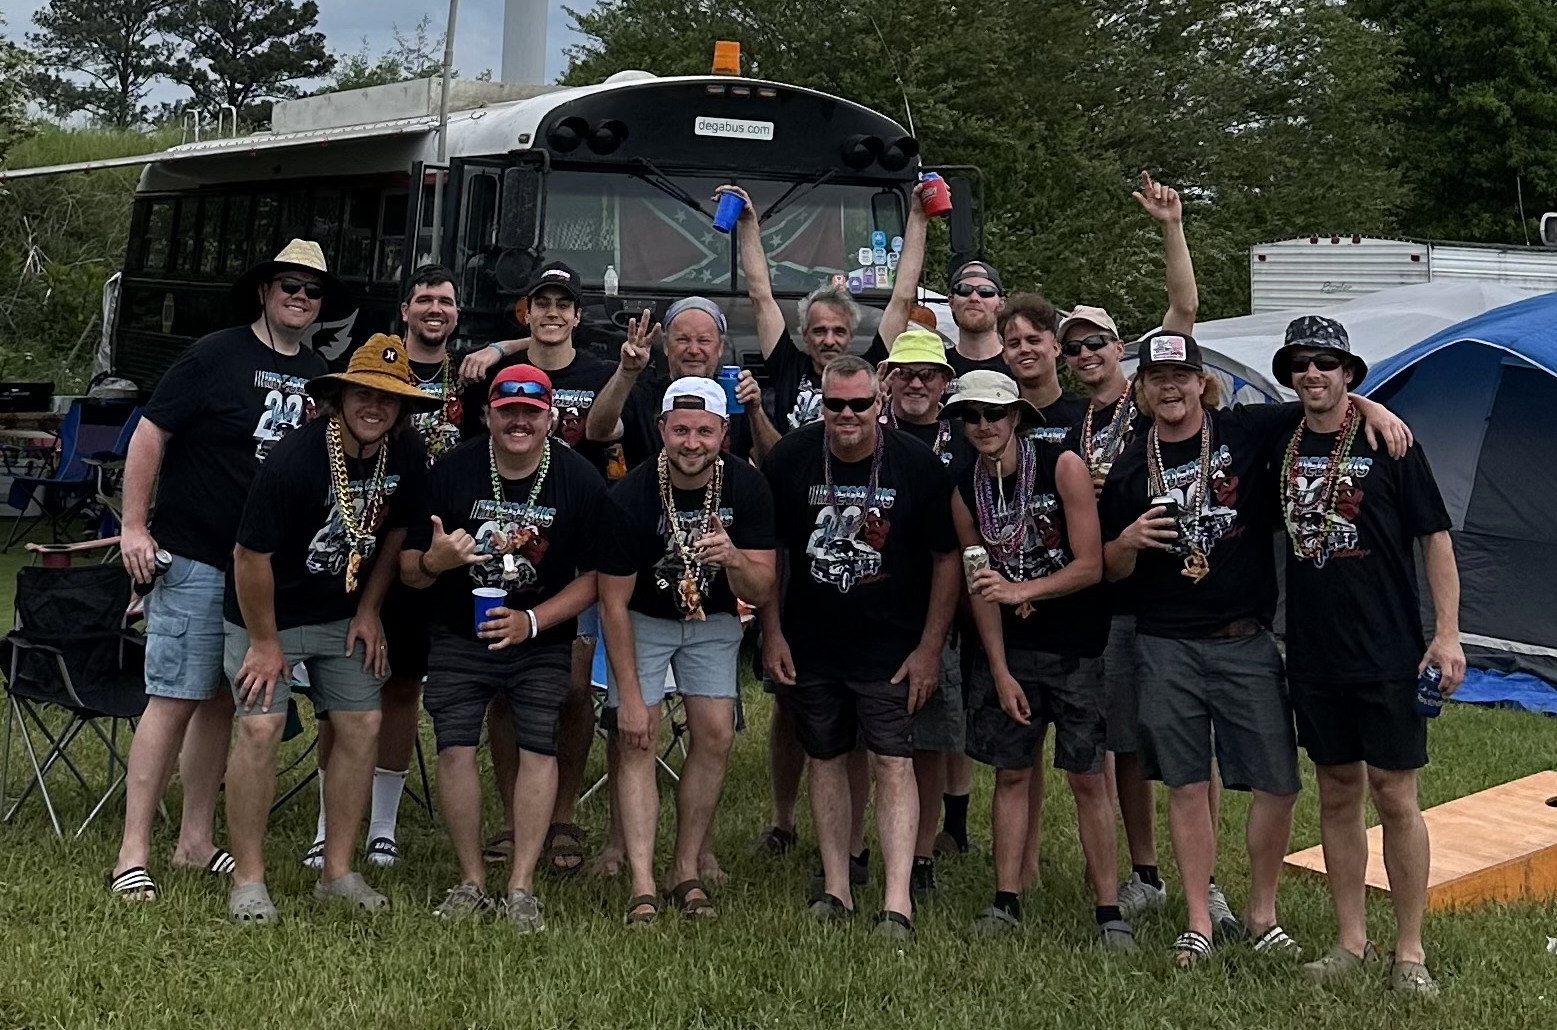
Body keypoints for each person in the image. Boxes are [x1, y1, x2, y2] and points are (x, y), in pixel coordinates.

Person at [1099, 330, 1409, 966]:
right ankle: (1198, 921)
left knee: (1277, 782)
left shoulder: (1246, 430)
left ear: (1201, 382)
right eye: (1157, 380)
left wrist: (1373, 406)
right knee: (1186, 783)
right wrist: (1126, 542)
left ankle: (1262, 913)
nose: (1170, 389)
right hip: (1166, 643)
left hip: (1245, 639)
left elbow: (1321, 400)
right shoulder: (1130, 464)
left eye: (1181, 377)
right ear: (1142, 390)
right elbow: (1109, 568)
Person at [107, 239, 337, 902]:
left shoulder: (320, 372)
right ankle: (131, 853)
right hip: (198, 557)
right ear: (264, 292)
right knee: (174, 696)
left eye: (312, 290)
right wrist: (133, 526)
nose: (299, 298)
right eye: (288, 286)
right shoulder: (213, 355)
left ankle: (195, 841)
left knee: (217, 701)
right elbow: (149, 434)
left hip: (262, 572)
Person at [1270, 316, 1463, 996]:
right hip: (1314, 651)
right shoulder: (1279, 439)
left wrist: (1447, 633)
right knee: (1335, 790)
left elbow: (1434, 537)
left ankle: (1409, 950)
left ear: (1348, 372)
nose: (1312, 373)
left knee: (1395, 793)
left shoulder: (1392, 442)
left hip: (1387, 648)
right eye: (1300, 363)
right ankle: (1350, 940)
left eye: (1325, 362)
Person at [222, 336, 433, 924]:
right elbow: (248, 557)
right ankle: (248, 879)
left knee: (363, 723)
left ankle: (337, 871)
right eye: (363, 393)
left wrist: (370, 610)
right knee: (261, 728)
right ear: (339, 398)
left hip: (341, 611)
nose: (375, 407)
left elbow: (397, 532)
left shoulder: (407, 451)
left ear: (402, 409)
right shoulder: (294, 460)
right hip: (267, 614)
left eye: (388, 398)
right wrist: (265, 644)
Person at [400, 364, 607, 931]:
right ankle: (471, 879)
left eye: (531, 413)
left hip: (540, 637)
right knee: (454, 748)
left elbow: (595, 577)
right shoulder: (451, 470)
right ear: (487, 415)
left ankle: (521, 886)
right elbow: (409, 570)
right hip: (459, 632)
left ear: (550, 418)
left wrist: (532, 622)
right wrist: (434, 562)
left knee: (539, 746)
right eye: (507, 411)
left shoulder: (579, 478)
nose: (519, 422)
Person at [762, 354, 959, 938]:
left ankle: (897, 903)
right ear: (820, 404)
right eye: (835, 404)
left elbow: (947, 559)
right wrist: (772, 632)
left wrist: (929, 648)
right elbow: (772, 554)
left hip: (891, 645)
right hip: (813, 641)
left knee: (893, 762)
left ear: (881, 401)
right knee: (824, 758)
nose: (847, 415)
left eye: (860, 404)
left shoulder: (916, 463)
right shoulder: (791, 457)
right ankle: (836, 887)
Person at [945, 371, 1128, 946]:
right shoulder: (964, 490)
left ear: (1016, 417)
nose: (983, 425)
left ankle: (1108, 909)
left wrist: (1023, 590)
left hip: (1076, 647)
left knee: (1087, 778)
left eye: (993, 414)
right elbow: (981, 585)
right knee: (1012, 773)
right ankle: (1006, 900)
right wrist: (998, 670)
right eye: (971, 416)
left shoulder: (1062, 465)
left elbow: (1090, 565)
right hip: (1013, 652)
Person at [1060, 172, 1198, 921]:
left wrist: (1170, 228)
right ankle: (1145, 872)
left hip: (1172, 593)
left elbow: (1183, 309)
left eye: (1095, 343)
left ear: (1121, 347)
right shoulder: (1068, 419)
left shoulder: (1151, 397)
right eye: (1072, 348)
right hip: (1107, 596)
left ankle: (1203, 879)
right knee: (1124, 742)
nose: (1085, 354)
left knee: (1182, 741)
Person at [459, 262, 624, 877]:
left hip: (575, 550)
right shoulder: (492, 375)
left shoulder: (601, 374)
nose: (553, 313)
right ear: (526, 312)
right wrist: (499, 350)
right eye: (542, 303)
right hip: (508, 550)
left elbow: (616, 440)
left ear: (578, 315)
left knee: (575, 691)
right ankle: (511, 817)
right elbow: (470, 451)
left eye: (564, 304)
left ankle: (562, 815)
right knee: (506, 689)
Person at [598, 377, 777, 923]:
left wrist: (735, 559)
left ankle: (686, 867)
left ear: (724, 432)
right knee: (637, 736)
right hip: (643, 618)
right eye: (680, 430)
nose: (692, 443)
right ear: (661, 430)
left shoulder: (747, 487)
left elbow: (762, 589)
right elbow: (612, 604)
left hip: (712, 618)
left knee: (716, 734)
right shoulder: (630, 494)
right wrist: (630, 697)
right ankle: (643, 882)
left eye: (704, 431)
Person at [303, 265, 463, 872]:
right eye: (424, 299)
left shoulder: (467, 380)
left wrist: (505, 346)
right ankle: (326, 827)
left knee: (400, 687)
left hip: (421, 555)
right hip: (345, 564)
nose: (435, 309)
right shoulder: (366, 376)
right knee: (337, 698)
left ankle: (383, 828)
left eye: (446, 301)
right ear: (404, 309)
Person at [875, 328, 976, 894]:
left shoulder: (965, 437)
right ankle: (860, 847)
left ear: (945, 382)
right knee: (869, 742)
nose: (916, 384)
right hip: (877, 601)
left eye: (928, 375)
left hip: (943, 604)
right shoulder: (867, 429)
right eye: (905, 374)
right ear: (887, 379)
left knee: (933, 737)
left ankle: (921, 856)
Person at [585, 296, 768, 467]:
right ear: (666, 344)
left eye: (704, 340)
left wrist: (756, 412)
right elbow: (597, 433)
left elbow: (773, 463)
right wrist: (626, 373)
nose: (693, 350)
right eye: (683, 339)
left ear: (720, 347)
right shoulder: (644, 396)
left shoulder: (736, 396)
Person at [998, 293, 1087, 446]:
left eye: (1033, 340)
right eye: (1014, 344)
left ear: (1056, 347)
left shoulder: (1087, 415)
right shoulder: (998, 422)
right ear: (1005, 355)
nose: (1024, 349)